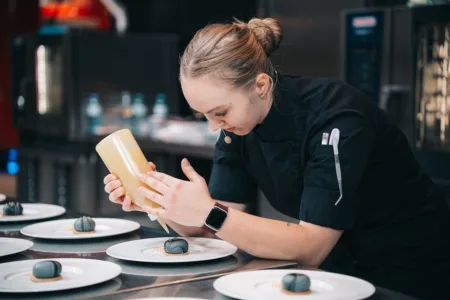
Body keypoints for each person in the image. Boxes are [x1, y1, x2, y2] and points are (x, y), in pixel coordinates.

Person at [103, 17, 450, 299]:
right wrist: (160, 202)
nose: (213, 127)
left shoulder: (337, 118)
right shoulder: (237, 127)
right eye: (203, 114)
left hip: (408, 272)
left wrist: (208, 212)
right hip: (335, 272)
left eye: (220, 112)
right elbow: (220, 227)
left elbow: (311, 246)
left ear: (261, 85)